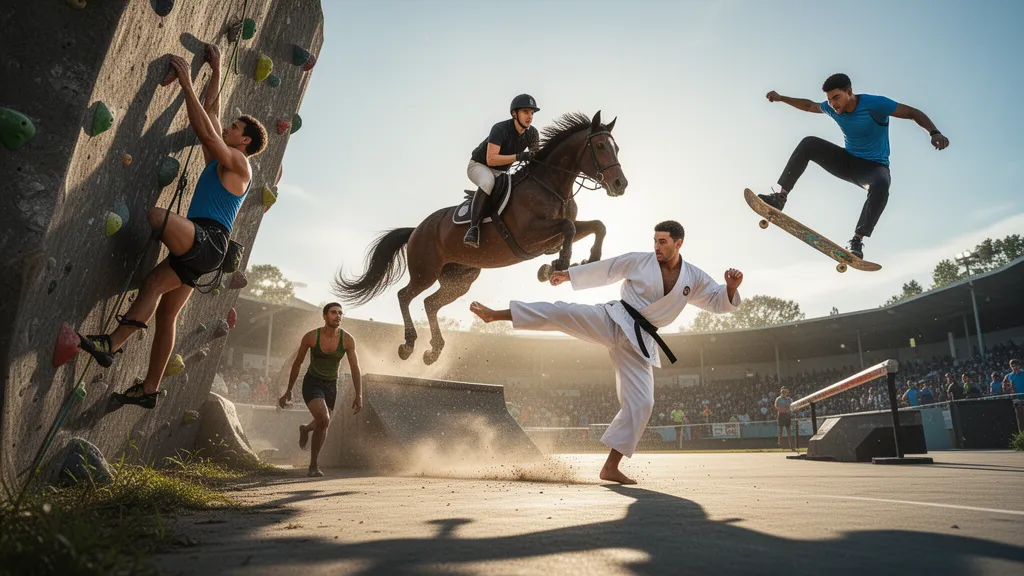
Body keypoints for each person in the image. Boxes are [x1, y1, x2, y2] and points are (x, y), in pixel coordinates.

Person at [469, 220, 743, 484]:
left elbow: (717, 301)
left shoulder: (692, 277)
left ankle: (610, 467)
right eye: (655, 241)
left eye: (663, 242)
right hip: (615, 319)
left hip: (640, 342)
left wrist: (730, 288)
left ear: (678, 244)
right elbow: (608, 269)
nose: (657, 246)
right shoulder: (640, 260)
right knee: (563, 312)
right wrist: (568, 275)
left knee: (643, 404)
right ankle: (497, 315)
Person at [77, 46, 267, 409]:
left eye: (235, 128)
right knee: (161, 304)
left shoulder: (240, 163)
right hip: (201, 249)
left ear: (244, 141)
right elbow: (211, 114)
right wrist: (217, 68)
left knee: (155, 216)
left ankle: (112, 346)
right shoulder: (220, 164)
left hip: (208, 240)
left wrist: (185, 82)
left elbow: (209, 133)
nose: (228, 127)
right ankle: (147, 387)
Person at [762, 73, 949, 260]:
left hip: (873, 168)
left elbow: (912, 113)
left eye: (837, 98)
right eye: (830, 99)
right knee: (809, 143)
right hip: (846, 161)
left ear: (849, 92)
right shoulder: (831, 107)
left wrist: (934, 132)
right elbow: (810, 105)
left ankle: (857, 240)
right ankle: (781, 197)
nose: (833, 104)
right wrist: (781, 98)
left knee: (882, 183)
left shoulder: (875, 104)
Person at [277, 303, 363, 477]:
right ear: (325, 316)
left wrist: (358, 393)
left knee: (323, 421)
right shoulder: (311, 337)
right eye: (333, 312)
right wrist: (288, 390)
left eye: (340, 313)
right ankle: (313, 465)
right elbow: (298, 362)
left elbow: (355, 367)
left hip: (331, 384)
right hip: (312, 382)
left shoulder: (347, 340)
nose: (337, 316)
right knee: (324, 419)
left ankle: (305, 429)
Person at [463, 94, 541, 248]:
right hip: (479, 166)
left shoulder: (532, 134)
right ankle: (473, 228)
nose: (530, 116)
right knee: (487, 182)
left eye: (532, 113)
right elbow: (491, 159)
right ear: (514, 114)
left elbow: (534, 159)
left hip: (501, 172)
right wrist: (519, 156)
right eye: (525, 112)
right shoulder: (500, 128)